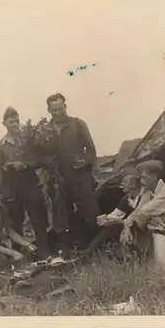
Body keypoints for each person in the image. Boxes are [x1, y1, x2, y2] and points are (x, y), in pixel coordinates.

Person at [46, 93, 101, 258]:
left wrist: (83, 162)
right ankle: (66, 249)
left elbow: (91, 151)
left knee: (89, 211)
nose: (58, 113)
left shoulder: (78, 125)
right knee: (61, 214)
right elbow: (38, 155)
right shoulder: (44, 130)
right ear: (49, 110)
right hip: (57, 179)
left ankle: (94, 247)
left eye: (60, 109)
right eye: (54, 110)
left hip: (80, 177)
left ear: (65, 107)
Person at [0, 107, 52, 261]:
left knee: (38, 218)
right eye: (11, 121)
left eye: (17, 121)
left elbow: (42, 160)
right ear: (4, 123)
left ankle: (43, 250)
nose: (15, 124)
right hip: (12, 187)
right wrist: (0, 190)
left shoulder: (29, 139)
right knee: (15, 220)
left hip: (30, 183)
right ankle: (17, 253)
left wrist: (25, 165)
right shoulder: (1, 145)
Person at [120, 160, 165, 259]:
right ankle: (144, 254)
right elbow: (137, 212)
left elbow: (145, 211)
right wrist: (126, 227)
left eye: (143, 178)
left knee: (151, 217)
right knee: (139, 219)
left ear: (154, 176)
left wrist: (130, 225)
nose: (141, 182)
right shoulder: (149, 192)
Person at [77, 174, 143, 256]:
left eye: (125, 182)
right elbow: (117, 213)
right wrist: (106, 219)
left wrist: (115, 220)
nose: (122, 184)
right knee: (102, 223)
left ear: (132, 185)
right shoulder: (126, 198)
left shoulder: (143, 198)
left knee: (114, 226)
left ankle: (90, 250)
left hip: (141, 227)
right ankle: (85, 247)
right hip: (128, 224)